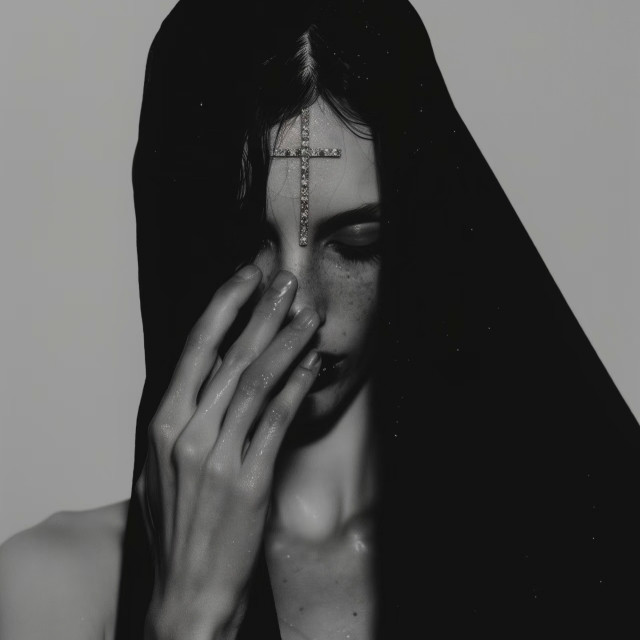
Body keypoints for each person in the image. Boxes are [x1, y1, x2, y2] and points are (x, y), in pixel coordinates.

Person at [1, 0, 639, 638]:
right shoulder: (51, 590)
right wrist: (190, 616)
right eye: (245, 247)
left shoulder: (583, 552)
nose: (300, 306)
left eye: (357, 243)